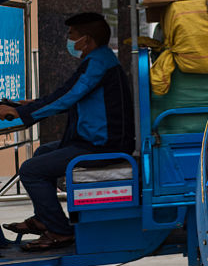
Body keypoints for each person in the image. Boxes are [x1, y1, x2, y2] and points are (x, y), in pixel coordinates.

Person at [0, 13, 133, 252]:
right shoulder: (97, 60)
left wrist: (22, 113)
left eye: (71, 35)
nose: (68, 40)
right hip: (94, 141)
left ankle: (60, 232)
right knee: (42, 152)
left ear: (86, 39)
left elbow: (66, 97)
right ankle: (45, 219)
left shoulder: (98, 63)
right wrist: (27, 106)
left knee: (30, 170)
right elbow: (68, 94)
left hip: (102, 145)